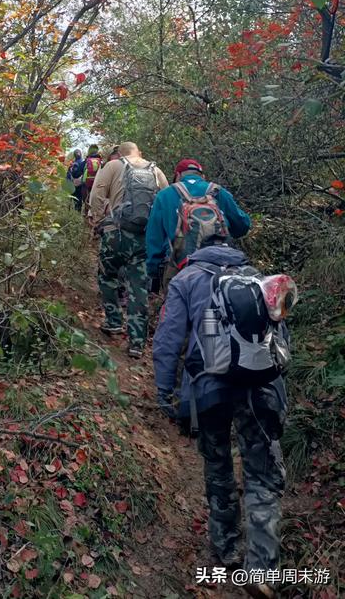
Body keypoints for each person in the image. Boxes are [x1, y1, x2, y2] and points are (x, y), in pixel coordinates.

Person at [153, 239, 290, 598]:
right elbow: (280, 337)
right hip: (259, 387)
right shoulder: (256, 277)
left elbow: (169, 338)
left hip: (208, 388)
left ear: (196, 249)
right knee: (262, 471)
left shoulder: (185, 280)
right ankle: (261, 567)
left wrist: (164, 390)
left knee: (218, 464)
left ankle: (226, 546)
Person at [89, 142, 169, 357]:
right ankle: (137, 342)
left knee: (107, 277)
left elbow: (96, 195)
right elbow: (166, 202)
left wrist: (98, 220)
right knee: (138, 287)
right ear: (139, 152)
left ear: (120, 153)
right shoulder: (156, 170)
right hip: (143, 238)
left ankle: (114, 321)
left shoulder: (113, 166)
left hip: (115, 234)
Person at [146, 158, 251, 293]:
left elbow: (154, 239)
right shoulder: (219, 192)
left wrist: (153, 271)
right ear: (202, 176)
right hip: (221, 266)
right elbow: (243, 226)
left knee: (179, 304)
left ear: (178, 176)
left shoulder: (164, 195)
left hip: (181, 268)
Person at [81, 144, 103, 213]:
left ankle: (86, 214)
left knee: (86, 200)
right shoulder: (101, 161)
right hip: (98, 183)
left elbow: (77, 173)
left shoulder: (86, 161)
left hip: (86, 184)